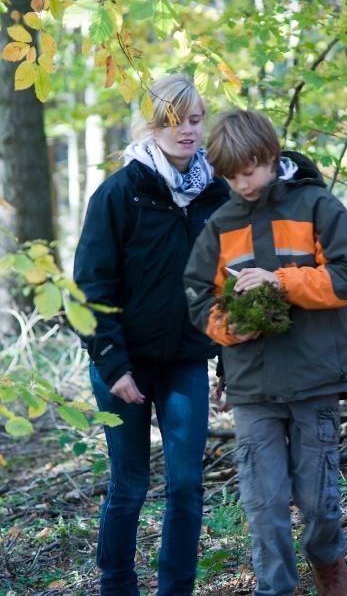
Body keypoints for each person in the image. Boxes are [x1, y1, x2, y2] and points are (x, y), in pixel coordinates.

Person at [184, 109, 347, 596]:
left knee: (318, 501)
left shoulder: (316, 204)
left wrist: (281, 282)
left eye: (248, 171)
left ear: (269, 156)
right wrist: (235, 326)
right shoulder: (221, 224)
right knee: (263, 504)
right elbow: (196, 296)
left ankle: (329, 564)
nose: (241, 184)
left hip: (316, 379)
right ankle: (276, 588)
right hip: (253, 388)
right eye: (230, 176)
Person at [73, 73, 228, 596]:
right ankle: (117, 585)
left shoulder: (216, 193)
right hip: (124, 362)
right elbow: (91, 286)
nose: (187, 130)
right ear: (152, 124)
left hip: (186, 359)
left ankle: (175, 589)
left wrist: (228, 357)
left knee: (185, 485)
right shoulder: (120, 192)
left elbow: (227, 281)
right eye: (174, 120)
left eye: (195, 119)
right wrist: (113, 365)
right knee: (130, 485)